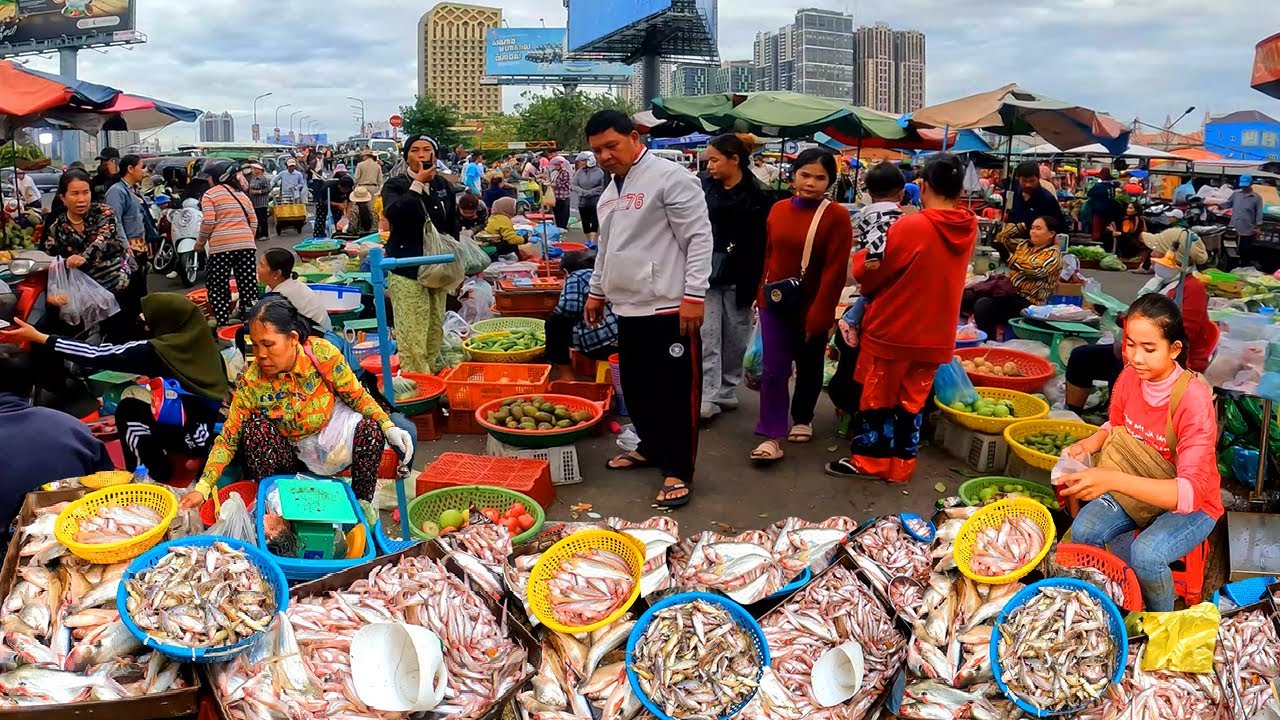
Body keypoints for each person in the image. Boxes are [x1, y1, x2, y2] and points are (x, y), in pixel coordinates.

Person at [1056, 293, 1221, 611]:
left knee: (1147, 555)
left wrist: (1111, 479)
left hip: (1193, 506)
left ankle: (1159, 623)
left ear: (1175, 349)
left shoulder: (1192, 399)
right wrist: (1087, 446)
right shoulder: (1130, 377)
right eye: (1130, 344)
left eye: (1149, 349)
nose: (1136, 357)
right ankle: (1102, 607)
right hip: (1137, 484)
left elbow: (1187, 495)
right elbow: (1115, 427)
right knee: (1084, 531)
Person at [585, 110, 713, 508]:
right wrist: (596, 291)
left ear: (634, 138)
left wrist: (694, 295)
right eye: (597, 151)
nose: (605, 156)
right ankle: (651, 448)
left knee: (674, 394)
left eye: (612, 146)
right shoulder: (609, 193)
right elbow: (607, 249)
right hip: (628, 307)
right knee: (638, 391)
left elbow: (698, 238)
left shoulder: (670, 177)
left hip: (670, 307)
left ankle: (678, 470)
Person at [179, 298, 413, 509]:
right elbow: (228, 438)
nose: (260, 354)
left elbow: (357, 396)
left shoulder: (322, 354)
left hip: (330, 443)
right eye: (255, 345)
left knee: (371, 430)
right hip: (287, 456)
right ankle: (278, 508)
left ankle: (360, 509)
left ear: (292, 339)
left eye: (268, 345)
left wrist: (388, 426)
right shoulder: (253, 381)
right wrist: (204, 485)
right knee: (254, 429)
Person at [827, 153, 977, 482]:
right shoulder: (968, 226)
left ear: (923, 185)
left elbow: (869, 272)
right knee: (912, 400)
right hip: (936, 331)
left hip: (894, 327)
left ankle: (871, 462)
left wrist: (862, 256)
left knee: (878, 398)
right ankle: (901, 466)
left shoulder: (912, 225)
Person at [2, 293, 229, 484]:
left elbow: (97, 355)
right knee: (150, 395)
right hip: (204, 433)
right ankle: (194, 455)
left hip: (184, 438)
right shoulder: (206, 348)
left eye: (148, 317)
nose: (143, 321)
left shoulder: (156, 350)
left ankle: (147, 477)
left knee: (128, 409)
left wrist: (40, 337)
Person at [749, 149, 852, 462]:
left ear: (830, 181)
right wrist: (760, 293)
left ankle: (803, 417)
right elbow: (768, 256)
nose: (811, 183)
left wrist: (821, 312)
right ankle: (771, 435)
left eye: (820, 177)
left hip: (813, 304)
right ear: (793, 175)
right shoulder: (777, 209)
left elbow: (835, 270)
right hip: (775, 301)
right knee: (773, 369)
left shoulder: (836, 216)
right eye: (805, 175)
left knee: (809, 364)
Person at [1065, 252, 1218, 414]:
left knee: (1121, 373)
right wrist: (1115, 315)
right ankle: (1073, 415)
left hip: (1170, 361)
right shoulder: (1163, 284)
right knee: (1081, 357)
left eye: (1158, 250)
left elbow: (1182, 335)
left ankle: (1121, 425)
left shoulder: (1192, 289)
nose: (1152, 255)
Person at [699, 134, 771, 421]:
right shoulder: (703, 186)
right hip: (705, 272)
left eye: (715, 160)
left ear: (735, 160)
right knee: (707, 336)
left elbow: (764, 242)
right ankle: (707, 393)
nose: (710, 166)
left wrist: (760, 283)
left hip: (742, 274)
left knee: (736, 337)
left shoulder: (759, 194)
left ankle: (727, 390)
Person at [828, 162, 908, 420]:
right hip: (892, 281)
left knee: (866, 296)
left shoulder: (864, 214)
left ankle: (850, 321)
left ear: (869, 191)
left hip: (870, 269)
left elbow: (850, 237)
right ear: (901, 192)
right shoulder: (903, 217)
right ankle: (850, 322)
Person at [0, 352, 113, 530]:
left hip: (17, 545)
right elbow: (109, 486)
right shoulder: (72, 426)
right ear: (32, 388)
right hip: (87, 528)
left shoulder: (72, 427)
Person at [381, 135, 456, 373]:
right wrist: (417, 185)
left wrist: (455, 264)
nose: (421, 155)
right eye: (414, 150)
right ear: (406, 157)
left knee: (434, 328)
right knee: (413, 331)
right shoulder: (396, 185)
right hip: (407, 267)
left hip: (438, 266)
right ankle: (416, 381)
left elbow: (452, 225)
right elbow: (396, 215)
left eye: (427, 150)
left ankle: (432, 376)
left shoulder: (443, 186)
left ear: (435, 155)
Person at [40, 168, 133, 306]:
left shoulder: (105, 213)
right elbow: (49, 257)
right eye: (74, 194)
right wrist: (64, 263)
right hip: (80, 295)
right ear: (62, 198)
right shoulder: (56, 227)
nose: (81, 199)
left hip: (117, 286)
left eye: (85, 192)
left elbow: (103, 240)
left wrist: (80, 259)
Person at [965, 215, 1064, 339]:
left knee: (984, 305)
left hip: (1028, 302)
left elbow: (1036, 270)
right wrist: (1023, 225)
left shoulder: (1053, 255)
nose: (1033, 232)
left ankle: (987, 341)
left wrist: (1009, 258)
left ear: (1051, 234)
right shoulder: (1024, 245)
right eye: (1032, 228)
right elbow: (1002, 237)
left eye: (1038, 228)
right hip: (1009, 294)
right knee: (967, 296)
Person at [197, 160, 259, 327]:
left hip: (221, 248)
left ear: (218, 177)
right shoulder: (242, 195)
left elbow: (208, 222)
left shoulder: (210, 195)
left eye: (210, 177)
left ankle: (223, 323)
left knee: (217, 286)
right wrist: (245, 239)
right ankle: (250, 324)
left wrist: (200, 243)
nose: (208, 180)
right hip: (246, 247)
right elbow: (253, 222)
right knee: (248, 286)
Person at [547, 250, 618, 378]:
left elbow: (569, 308)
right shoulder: (600, 274)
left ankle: (565, 373)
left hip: (602, 345)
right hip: (620, 338)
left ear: (566, 271)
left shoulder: (576, 276)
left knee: (554, 323)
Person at [103, 154, 149, 335]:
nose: (143, 171)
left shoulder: (132, 190)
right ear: (130, 169)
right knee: (129, 293)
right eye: (141, 167)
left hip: (139, 247)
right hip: (128, 251)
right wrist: (126, 248)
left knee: (139, 292)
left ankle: (138, 327)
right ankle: (127, 331)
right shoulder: (116, 191)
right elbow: (115, 221)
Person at [258, 248, 332, 331]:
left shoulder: (282, 295)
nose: (257, 268)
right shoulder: (275, 287)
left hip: (318, 334)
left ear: (277, 273)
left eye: (261, 266)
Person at [1217, 174, 1265, 269]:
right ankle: (1231, 268)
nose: (1244, 187)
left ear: (1251, 184)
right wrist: (1215, 205)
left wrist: (1258, 227)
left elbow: (1259, 213)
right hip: (1234, 228)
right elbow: (1227, 204)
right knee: (1231, 250)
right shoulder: (1236, 194)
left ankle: (1244, 268)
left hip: (1248, 229)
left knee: (1245, 251)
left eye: (1246, 185)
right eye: (1242, 185)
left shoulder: (1256, 198)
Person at [1006, 160, 1065, 237]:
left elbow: (1058, 227)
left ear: (1038, 178)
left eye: (1032, 181)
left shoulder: (1047, 199)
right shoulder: (1014, 195)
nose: (1028, 185)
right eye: (1024, 181)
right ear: (1018, 179)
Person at [571, 151, 606, 241]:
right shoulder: (579, 172)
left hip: (595, 201)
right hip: (583, 202)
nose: (581, 163)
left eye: (583, 161)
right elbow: (574, 185)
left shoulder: (600, 172)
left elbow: (601, 186)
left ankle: (592, 241)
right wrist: (582, 192)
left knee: (594, 222)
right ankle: (588, 240)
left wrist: (590, 192)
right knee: (585, 222)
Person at [1085, 168, 1119, 248]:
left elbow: (1089, 193)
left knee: (1097, 229)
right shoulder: (1112, 187)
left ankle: (1097, 244)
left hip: (1098, 211)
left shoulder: (1098, 186)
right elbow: (1113, 198)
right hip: (1110, 211)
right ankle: (1107, 243)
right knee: (1107, 228)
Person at [246, 163, 272, 240]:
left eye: (254, 169)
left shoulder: (264, 179)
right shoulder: (253, 178)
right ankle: (257, 234)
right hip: (254, 202)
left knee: (262, 219)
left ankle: (264, 234)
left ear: (259, 170)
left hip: (261, 202)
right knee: (255, 219)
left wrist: (259, 192)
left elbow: (268, 189)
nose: (252, 171)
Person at [547, 153, 573, 229]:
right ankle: (558, 226)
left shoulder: (565, 172)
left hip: (563, 196)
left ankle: (563, 226)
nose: (556, 166)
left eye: (557, 165)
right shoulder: (555, 172)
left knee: (563, 213)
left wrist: (556, 184)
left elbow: (566, 183)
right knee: (557, 212)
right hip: (556, 196)